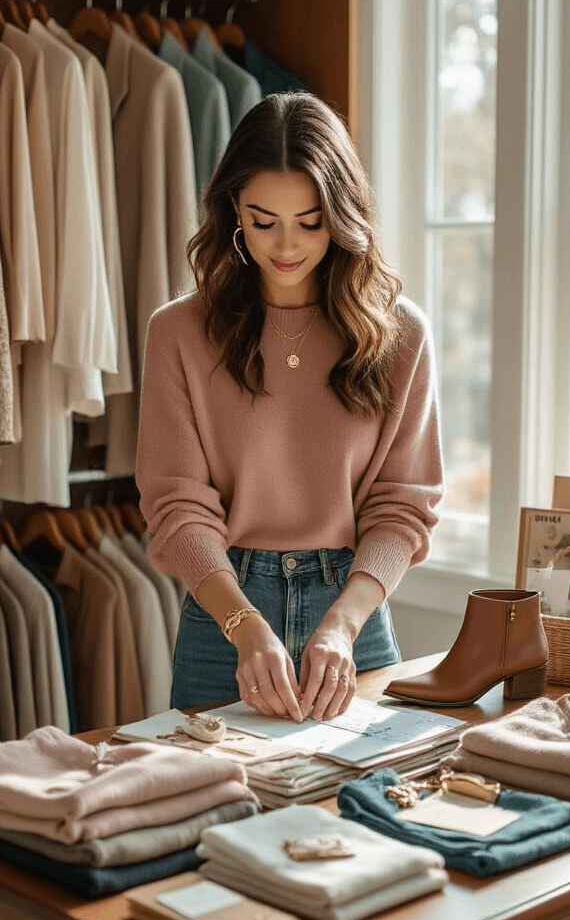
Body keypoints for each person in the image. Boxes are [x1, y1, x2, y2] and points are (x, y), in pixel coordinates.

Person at [136, 93, 443, 722]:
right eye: (262, 219)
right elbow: (177, 506)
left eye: (310, 221)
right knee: (214, 810)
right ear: (232, 212)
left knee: (361, 813)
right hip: (224, 622)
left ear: (343, 214)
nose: (285, 246)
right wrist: (244, 625)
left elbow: (403, 504)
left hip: (353, 621)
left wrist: (343, 623)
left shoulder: (400, 334)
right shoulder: (178, 334)